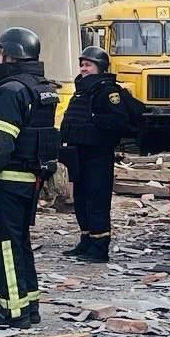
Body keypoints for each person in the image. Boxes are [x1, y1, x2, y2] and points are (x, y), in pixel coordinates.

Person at [0, 27, 60, 329]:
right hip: (28, 180)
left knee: (4, 246)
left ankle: (13, 312)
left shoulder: (11, 91)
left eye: (0, 53)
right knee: (20, 243)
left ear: (11, 55)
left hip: (5, 180)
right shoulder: (41, 88)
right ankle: (30, 306)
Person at [60, 45, 130, 264]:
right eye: (82, 65)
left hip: (98, 154)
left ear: (100, 67)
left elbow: (118, 121)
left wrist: (91, 124)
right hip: (78, 153)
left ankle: (99, 248)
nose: (83, 68)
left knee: (96, 199)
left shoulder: (108, 91)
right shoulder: (82, 90)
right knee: (81, 199)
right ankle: (86, 241)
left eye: (88, 65)